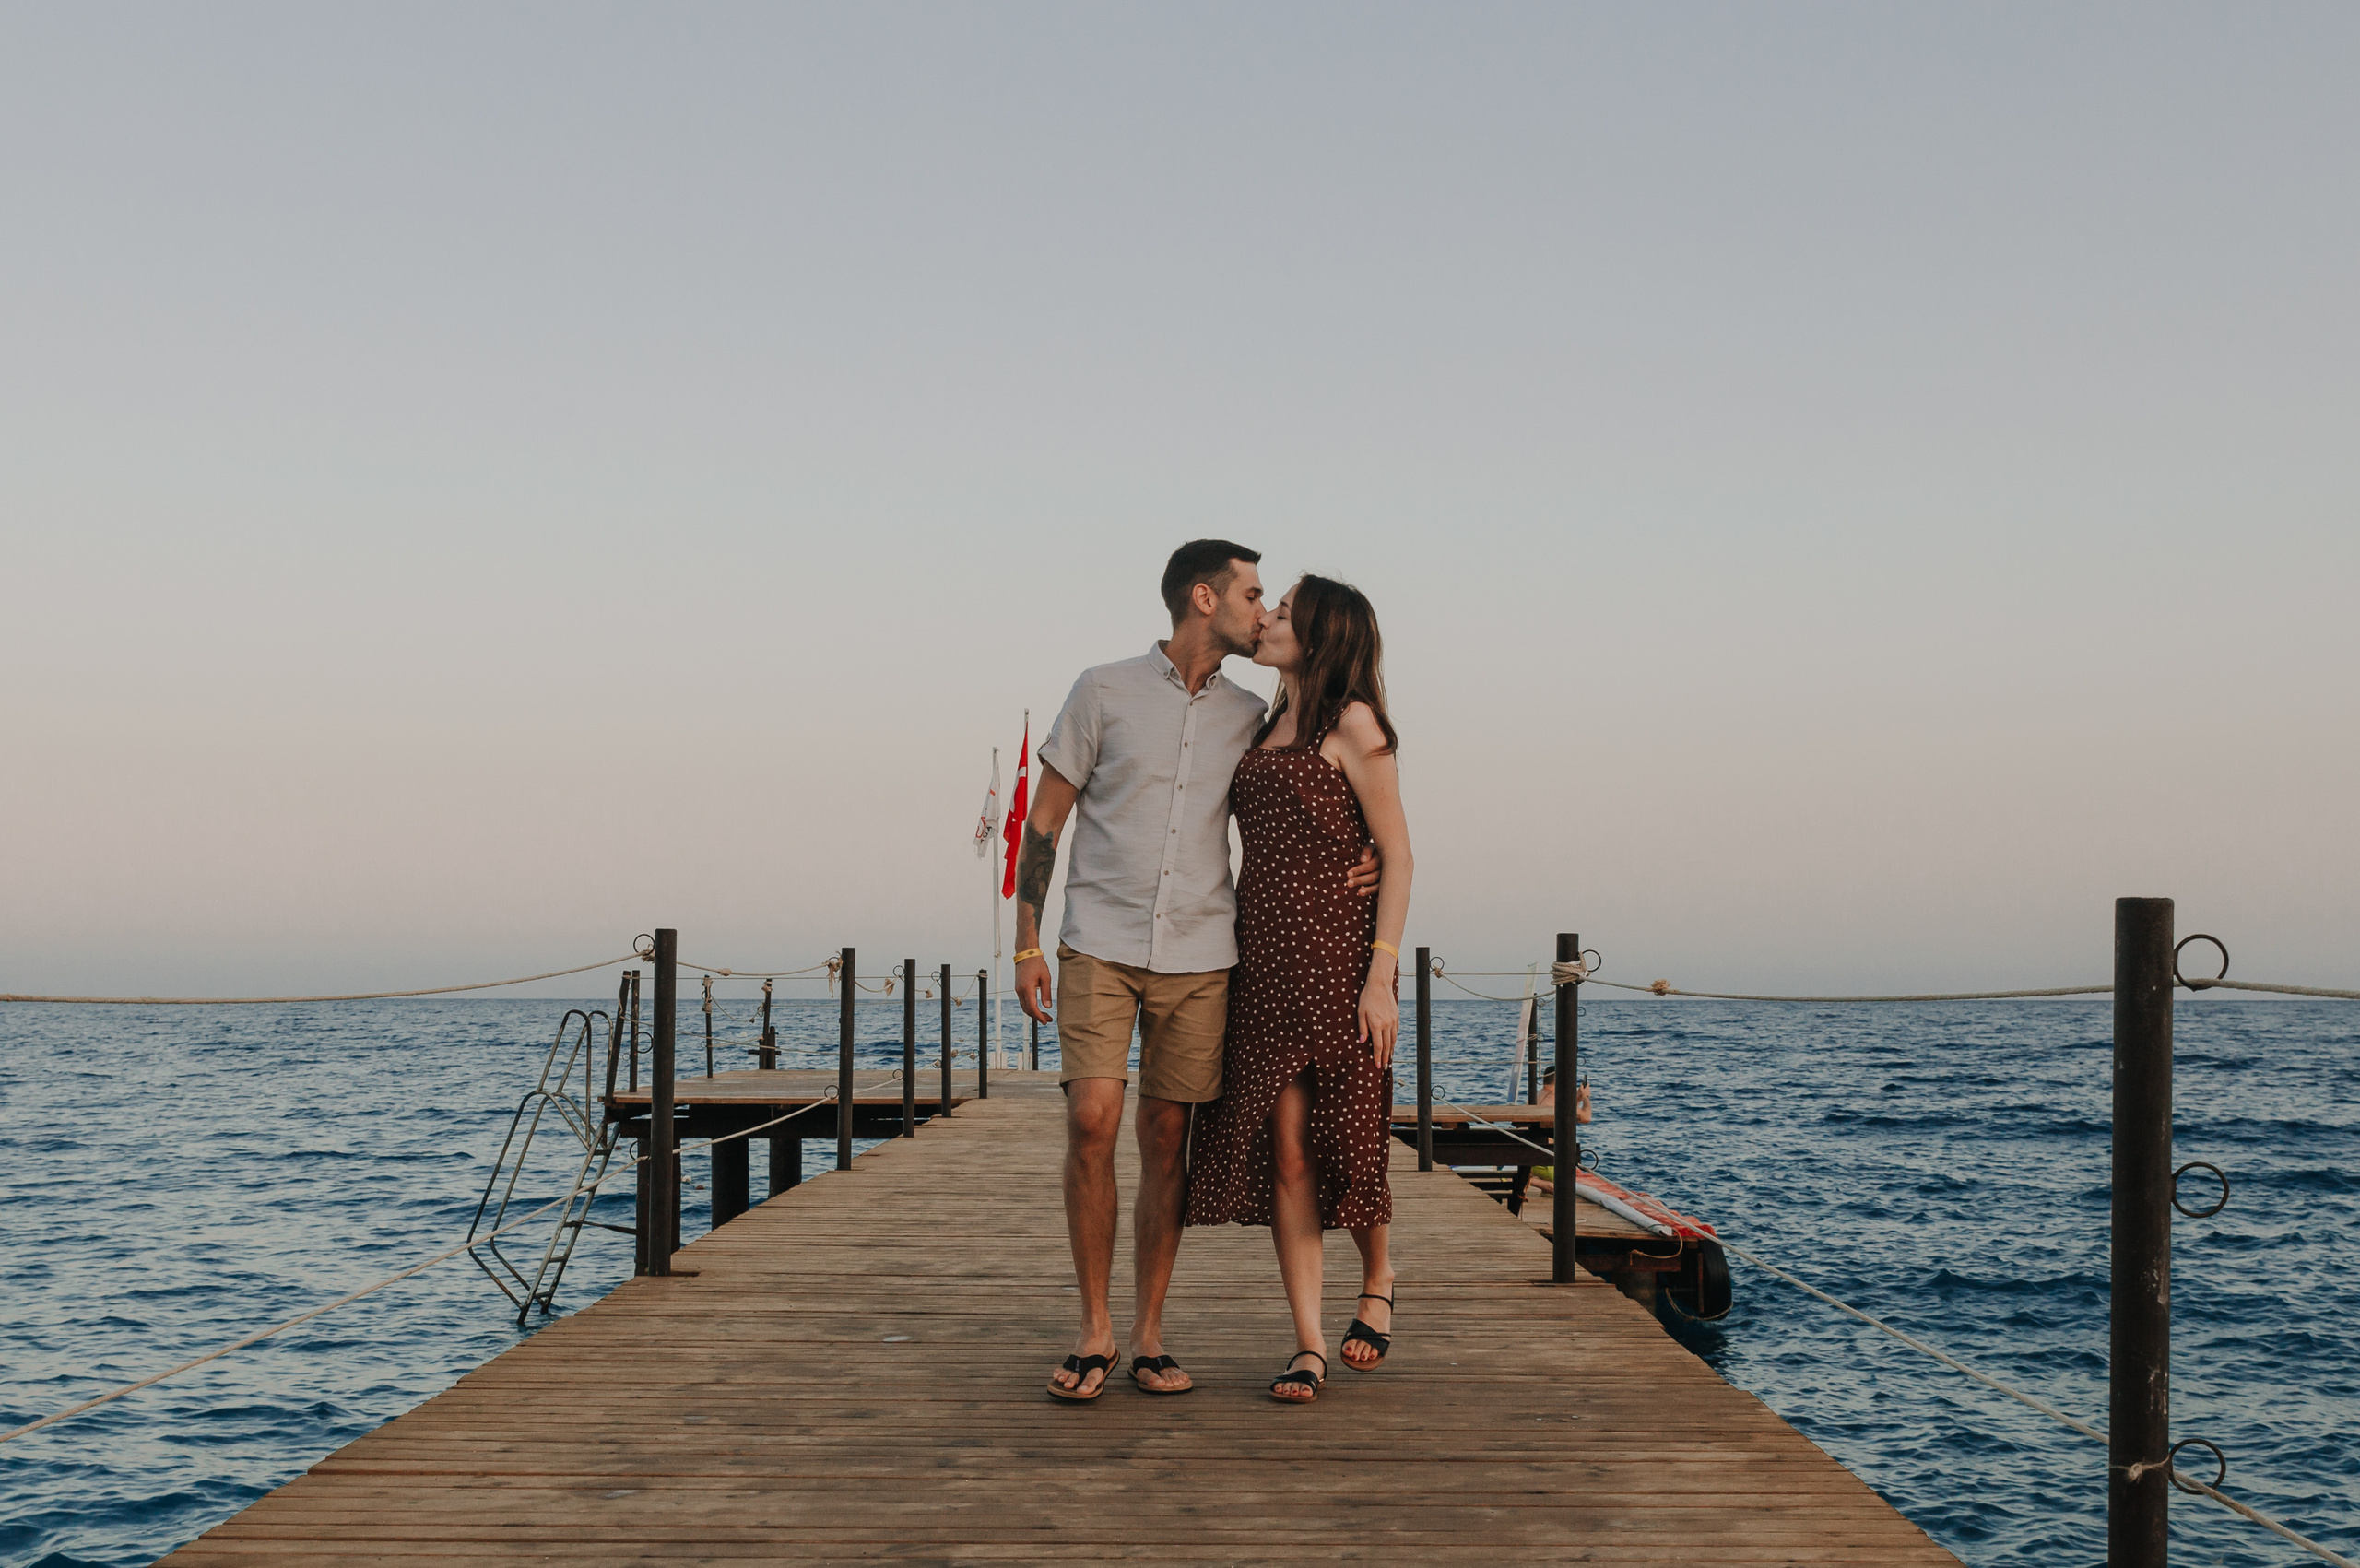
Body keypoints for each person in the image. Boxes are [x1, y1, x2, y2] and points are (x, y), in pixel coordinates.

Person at [1012, 542, 1379, 1401]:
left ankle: (1147, 1335)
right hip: (1098, 941)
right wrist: (1027, 943)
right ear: (1205, 598)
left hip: (1203, 956)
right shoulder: (1100, 689)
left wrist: (1360, 851)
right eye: (1256, 595)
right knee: (1094, 1120)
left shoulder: (1250, 715)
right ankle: (1094, 1327)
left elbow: (1310, 791)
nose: (1266, 612)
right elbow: (1044, 823)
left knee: (1168, 1135)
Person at [1184, 575, 1412, 1404]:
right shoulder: (1259, 720)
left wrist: (1381, 976)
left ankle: (1379, 1277)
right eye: (1270, 607)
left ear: (1320, 635)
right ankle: (1309, 1342)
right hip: (1265, 965)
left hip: (1342, 965)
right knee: (1287, 1154)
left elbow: (1399, 852)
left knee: (1351, 1140)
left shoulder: (1354, 723)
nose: (1268, 619)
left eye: (1283, 613)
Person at [1526, 1065, 1593, 1197]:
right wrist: (1586, 1097)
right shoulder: (1557, 1100)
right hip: (1547, 1158)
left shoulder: (1536, 1096)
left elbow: (1566, 1115)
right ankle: (1529, 1180)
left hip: (1533, 1152)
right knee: (1565, 1191)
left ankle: (1537, 1181)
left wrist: (1577, 1097)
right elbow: (1586, 1117)